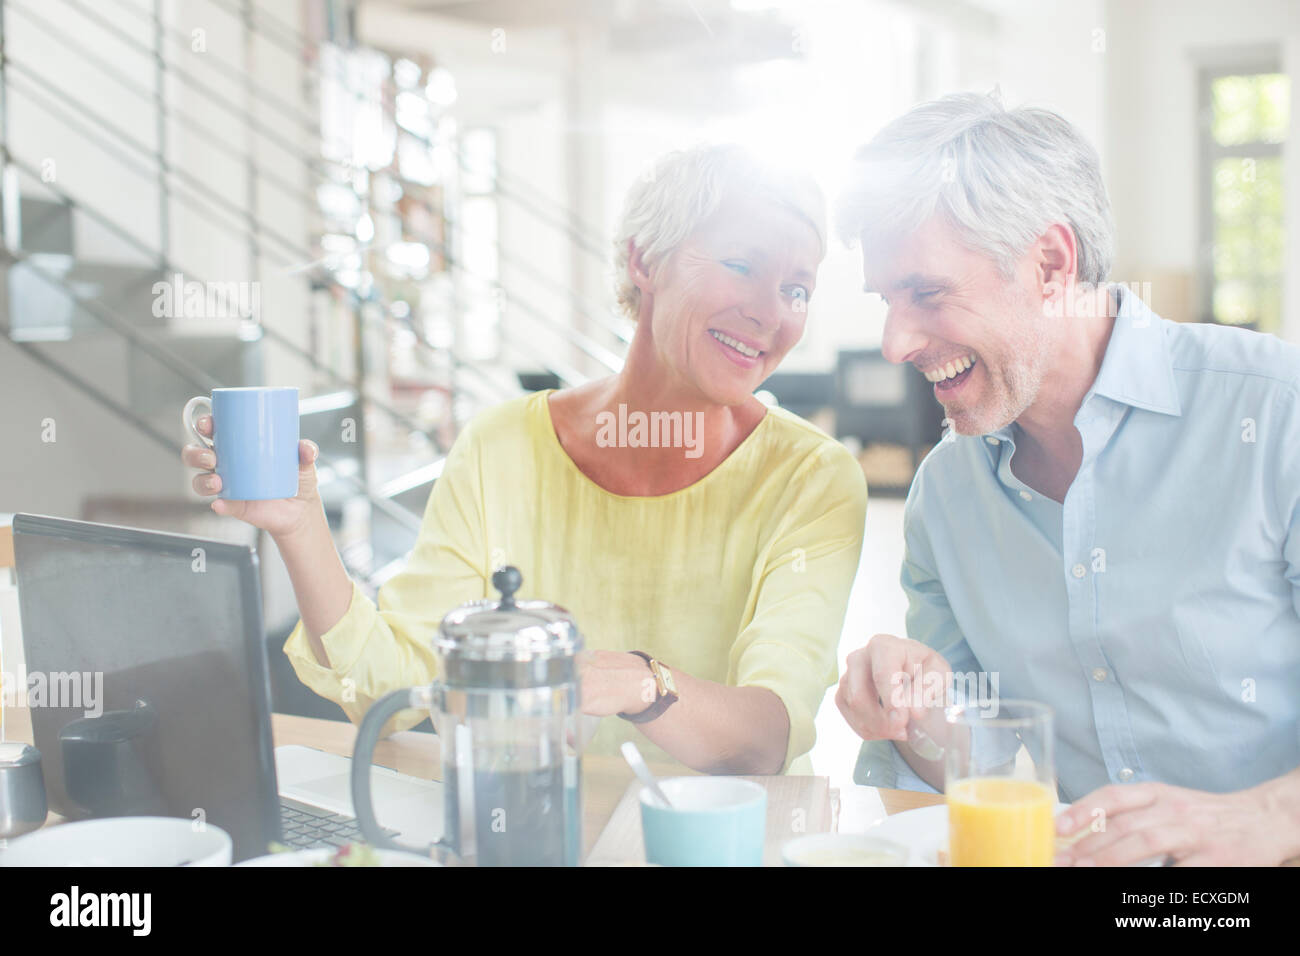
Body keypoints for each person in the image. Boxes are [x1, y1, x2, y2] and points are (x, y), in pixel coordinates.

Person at [183, 143, 867, 775]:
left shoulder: (811, 478)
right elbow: (391, 692)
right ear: (644, 261)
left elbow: (765, 736)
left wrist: (641, 682)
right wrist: (301, 528)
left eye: (797, 289)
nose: (769, 313)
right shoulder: (502, 446)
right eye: (743, 266)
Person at [834, 92, 1300, 864]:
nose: (894, 341)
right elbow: (974, 762)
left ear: (1051, 264)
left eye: (926, 292)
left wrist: (1269, 819)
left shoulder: (1276, 413)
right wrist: (910, 707)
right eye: (887, 299)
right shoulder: (946, 498)